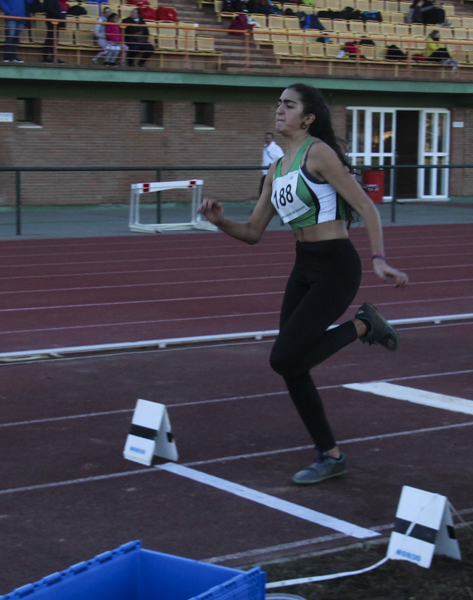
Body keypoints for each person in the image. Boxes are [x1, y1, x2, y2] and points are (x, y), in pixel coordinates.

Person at [198, 84, 409, 486]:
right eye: (277, 102)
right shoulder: (276, 169)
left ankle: (363, 325)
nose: (279, 109)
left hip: (336, 267)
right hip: (304, 267)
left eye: (288, 104)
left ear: (308, 117)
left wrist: (379, 260)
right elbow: (253, 232)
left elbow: (365, 205)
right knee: (292, 367)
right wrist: (221, 221)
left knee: (283, 358)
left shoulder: (319, 154)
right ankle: (330, 455)